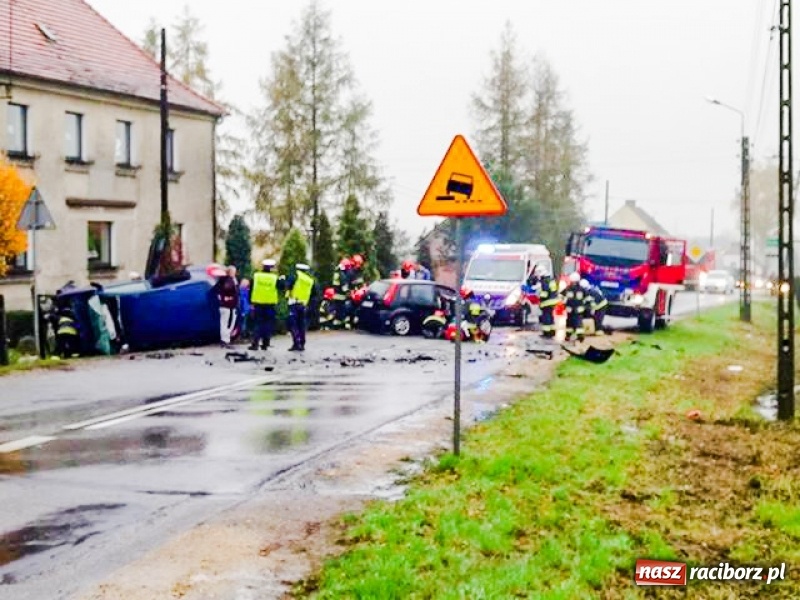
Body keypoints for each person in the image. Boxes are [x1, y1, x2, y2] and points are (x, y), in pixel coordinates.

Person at [250, 259, 282, 350]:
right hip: (270, 305)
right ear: (272, 268)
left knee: (257, 323)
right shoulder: (275, 278)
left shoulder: (256, 276)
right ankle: (265, 344)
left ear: (263, 267)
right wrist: (282, 279)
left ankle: (255, 344)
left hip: (258, 304)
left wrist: (251, 303)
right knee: (268, 324)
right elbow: (282, 287)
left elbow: (251, 289)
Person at [286, 263, 316, 351]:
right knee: (301, 325)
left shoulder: (295, 276)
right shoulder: (310, 280)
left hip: (294, 303)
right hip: (303, 305)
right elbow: (314, 294)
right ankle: (302, 343)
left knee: (293, 324)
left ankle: (296, 343)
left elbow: (288, 286)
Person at [212, 265, 239, 347]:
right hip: (229, 306)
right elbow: (231, 291)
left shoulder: (223, 281)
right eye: (234, 271)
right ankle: (225, 341)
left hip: (225, 306)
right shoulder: (229, 280)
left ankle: (225, 340)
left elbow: (216, 291)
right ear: (230, 272)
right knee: (228, 324)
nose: (235, 273)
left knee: (225, 323)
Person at [533, 266, 559, 338]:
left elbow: (545, 293)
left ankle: (547, 333)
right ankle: (552, 332)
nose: (537, 275)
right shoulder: (550, 279)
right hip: (553, 301)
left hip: (547, 302)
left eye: (537, 273)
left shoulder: (545, 281)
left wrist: (539, 296)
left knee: (546, 317)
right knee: (550, 317)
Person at [563, 271, 586, 342]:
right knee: (576, 323)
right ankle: (578, 336)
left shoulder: (568, 288)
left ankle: (571, 336)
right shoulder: (582, 289)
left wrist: (564, 304)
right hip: (577, 309)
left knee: (572, 323)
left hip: (571, 309)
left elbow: (561, 296)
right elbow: (586, 298)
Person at [331, 258, 352, 329]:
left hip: (336, 295)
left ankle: (337, 325)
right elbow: (344, 286)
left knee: (338, 311)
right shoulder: (342, 274)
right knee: (343, 310)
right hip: (341, 296)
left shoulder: (336, 272)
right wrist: (348, 292)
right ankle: (346, 325)